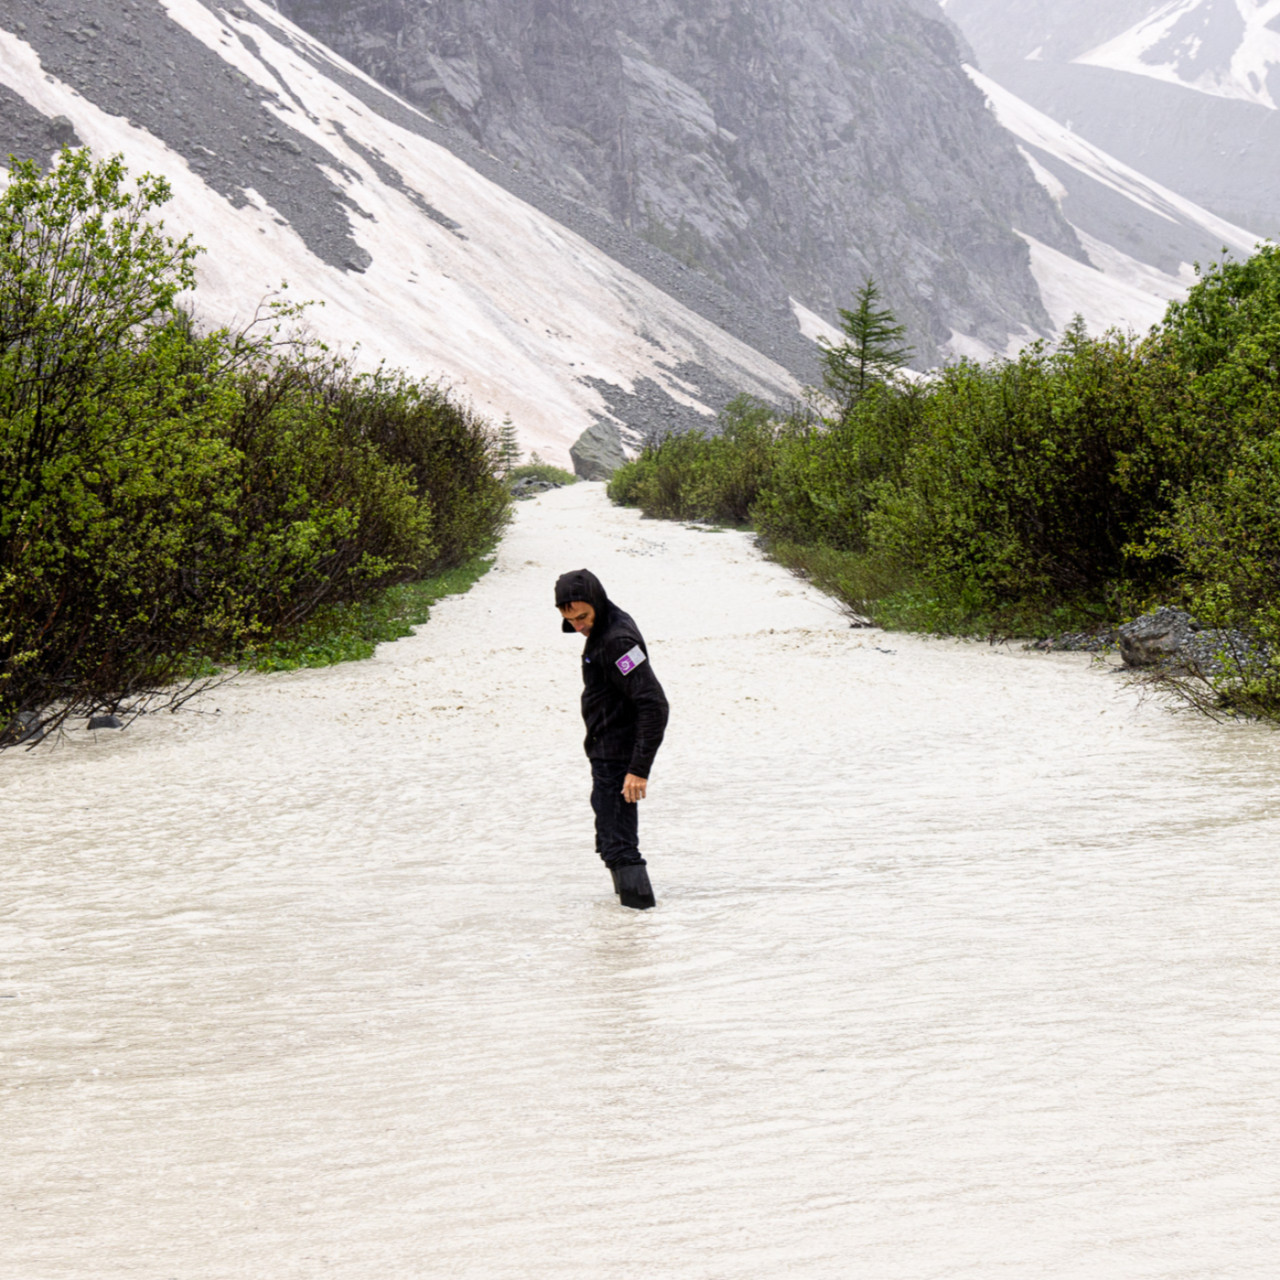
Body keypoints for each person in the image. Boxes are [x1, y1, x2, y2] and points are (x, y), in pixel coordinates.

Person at [555, 569, 669, 909]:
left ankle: (640, 920)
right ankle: (625, 928)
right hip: (606, 751)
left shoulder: (618, 641)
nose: (578, 626)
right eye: (569, 620)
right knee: (609, 840)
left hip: (619, 757)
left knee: (620, 845)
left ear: (597, 601)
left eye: (582, 617)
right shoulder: (604, 622)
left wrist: (638, 769)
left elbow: (654, 704)